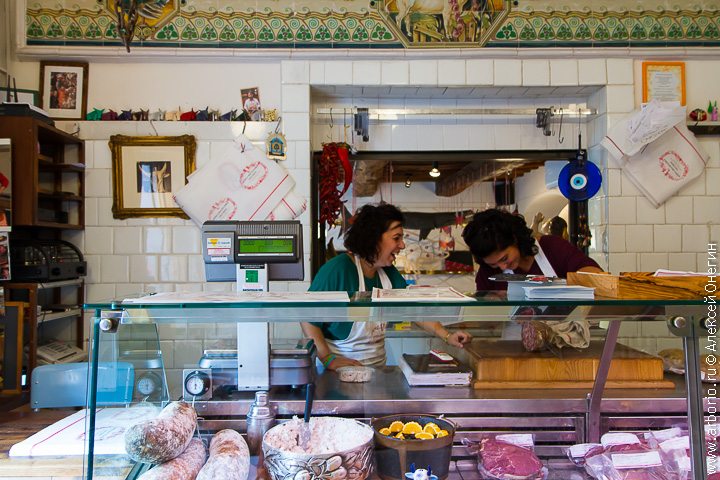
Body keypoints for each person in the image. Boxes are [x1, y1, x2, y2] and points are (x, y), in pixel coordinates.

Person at [301, 203, 472, 370]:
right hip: (337, 375)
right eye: (396, 238)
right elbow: (307, 316)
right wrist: (327, 358)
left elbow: (413, 309)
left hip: (376, 371)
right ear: (373, 238)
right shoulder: (338, 269)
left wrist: (447, 336)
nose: (402, 245)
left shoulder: (387, 273)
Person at [462, 208, 602, 291]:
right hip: (513, 338)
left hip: (564, 336)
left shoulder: (553, 247)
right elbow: (486, 317)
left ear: (514, 239)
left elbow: (596, 276)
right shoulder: (488, 272)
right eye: (493, 264)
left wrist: (566, 285)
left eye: (504, 258)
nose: (502, 266)